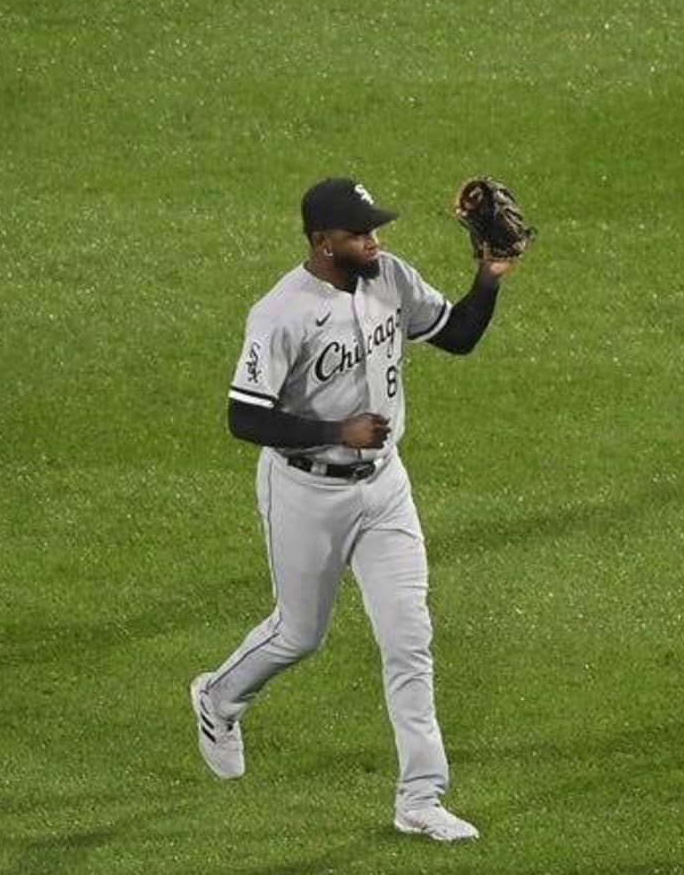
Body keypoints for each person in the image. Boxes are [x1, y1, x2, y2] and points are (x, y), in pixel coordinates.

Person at [191, 177, 515, 843]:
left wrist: (489, 275)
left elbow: (457, 335)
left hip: (385, 487)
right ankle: (218, 697)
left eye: (374, 229)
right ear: (322, 242)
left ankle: (421, 797)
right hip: (305, 489)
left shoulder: (389, 276)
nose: (375, 240)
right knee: (299, 632)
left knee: (409, 638)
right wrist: (336, 431)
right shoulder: (281, 311)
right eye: (361, 233)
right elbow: (242, 415)